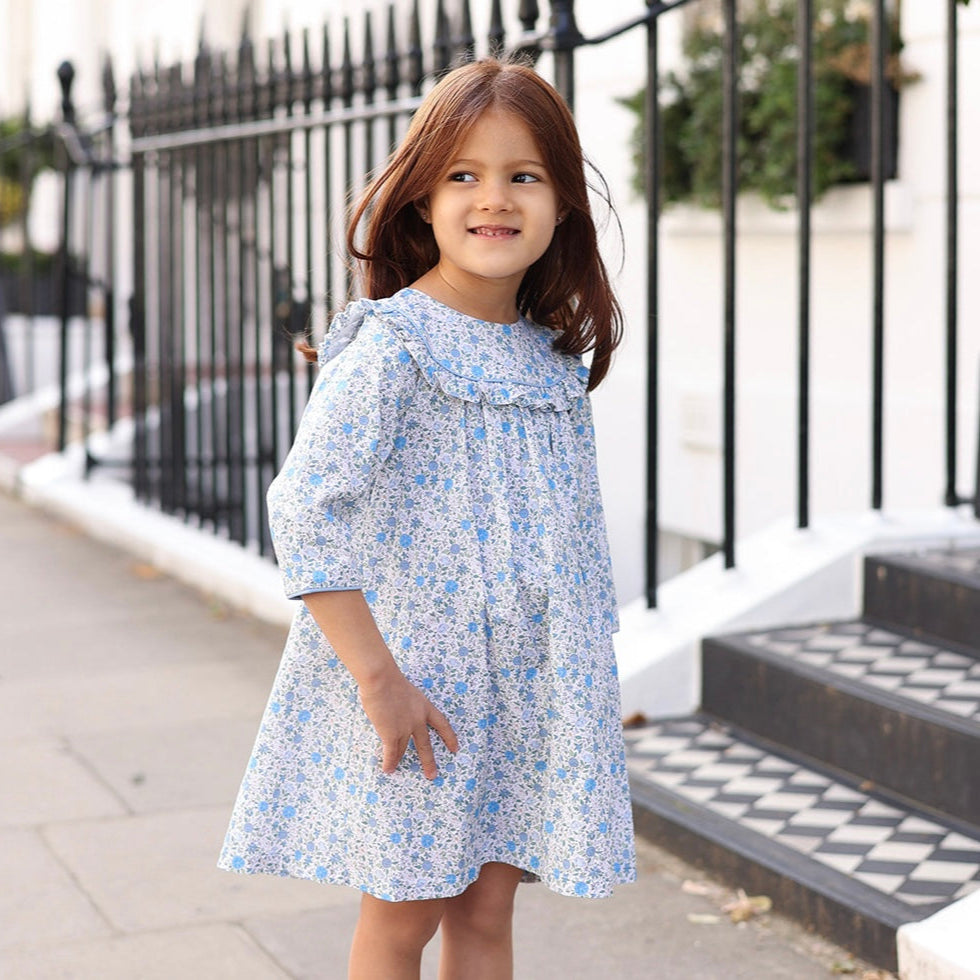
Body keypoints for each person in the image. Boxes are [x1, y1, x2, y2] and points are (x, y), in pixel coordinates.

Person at [218, 57, 636, 980]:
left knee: (487, 916)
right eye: (464, 176)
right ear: (421, 201)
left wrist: (577, 682)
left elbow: (567, 545)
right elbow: (305, 509)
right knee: (404, 919)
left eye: (523, 175)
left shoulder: (550, 366)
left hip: (525, 693)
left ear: (563, 201)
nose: (496, 198)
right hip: (421, 695)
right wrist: (379, 679)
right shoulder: (393, 347)